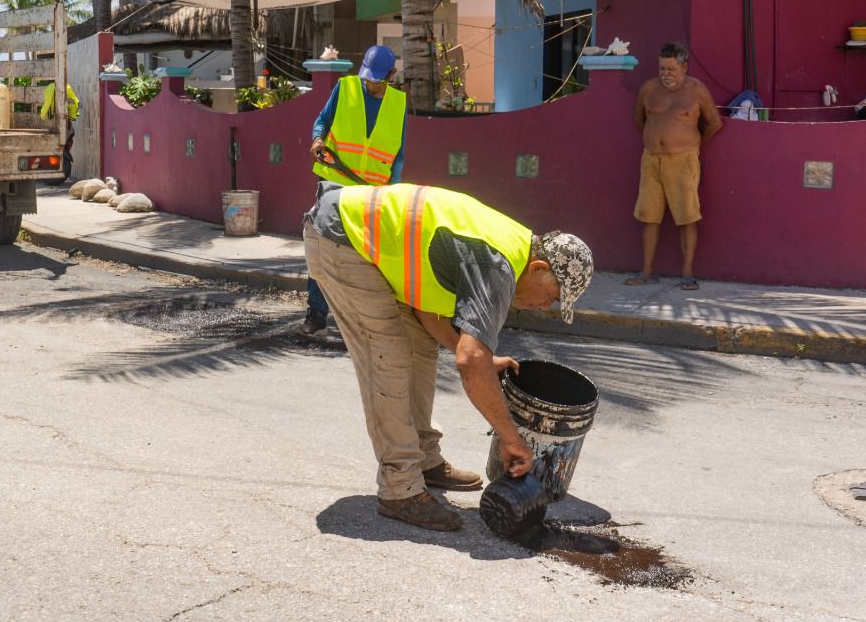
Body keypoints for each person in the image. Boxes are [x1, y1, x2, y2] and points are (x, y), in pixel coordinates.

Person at [304, 182, 594, 532]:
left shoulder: (513, 250)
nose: (544, 307)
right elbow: (470, 362)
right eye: (551, 295)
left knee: (421, 346)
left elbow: (432, 313)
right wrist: (511, 439)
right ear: (538, 268)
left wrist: (485, 358)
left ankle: (422, 458)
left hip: (368, 243)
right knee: (388, 355)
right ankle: (400, 489)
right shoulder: (500, 264)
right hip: (343, 239)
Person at [302, 44, 407, 334]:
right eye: (368, 77)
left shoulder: (398, 104)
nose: (371, 83)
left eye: (377, 78)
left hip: (371, 192)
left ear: (392, 74)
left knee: (364, 257)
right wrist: (317, 138)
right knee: (321, 248)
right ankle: (317, 313)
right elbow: (322, 120)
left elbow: (398, 154)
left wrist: (392, 191)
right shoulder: (346, 88)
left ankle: (358, 317)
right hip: (334, 182)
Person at [626, 42, 722, 290]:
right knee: (649, 217)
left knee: (687, 217)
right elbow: (640, 120)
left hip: (683, 161)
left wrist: (693, 145)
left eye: (671, 69)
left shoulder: (697, 90)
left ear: (684, 67)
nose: (666, 74)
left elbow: (714, 123)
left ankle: (687, 273)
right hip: (651, 161)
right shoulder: (648, 89)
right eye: (662, 69)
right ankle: (646, 271)